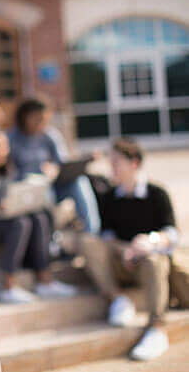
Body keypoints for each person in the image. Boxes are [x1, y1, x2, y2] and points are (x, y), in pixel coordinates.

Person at [79, 138, 178, 361]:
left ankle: (157, 328)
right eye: (111, 161)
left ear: (134, 163)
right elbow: (106, 235)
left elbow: (172, 234)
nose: (112, 166)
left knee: (154, 260)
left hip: (150, 265)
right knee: (87, 242)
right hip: (120, 263)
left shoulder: (157, 193)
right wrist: (124, 249)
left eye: (117, 161)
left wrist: (149, 242)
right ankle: (117, 299)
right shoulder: (110, 197)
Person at [0, 129, 76, 304]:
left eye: (4, 147)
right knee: (20, 224)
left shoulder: (8, 171)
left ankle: (45, 279)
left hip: (1, 222)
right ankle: (8, 286)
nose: (1, 151)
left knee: (39, 217)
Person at [7, 97, 101, 234]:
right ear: (25, 116)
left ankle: (91, 232)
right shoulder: (11, 138)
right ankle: (50, 238)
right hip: (25, 188)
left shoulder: (50, 136)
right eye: (37, 119)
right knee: (44, 190)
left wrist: (55, 169)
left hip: (51, 184)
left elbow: (62, 163)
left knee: (80, 182)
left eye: (44, 119)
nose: (41, 123)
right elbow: (5, 169)